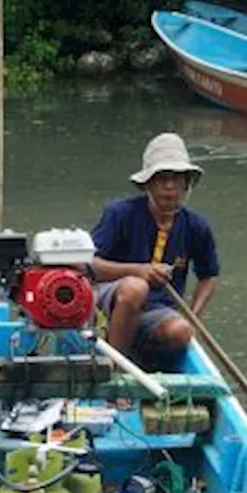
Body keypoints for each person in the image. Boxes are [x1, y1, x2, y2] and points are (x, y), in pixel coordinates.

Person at [89, 132, 219, 370]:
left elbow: (209, 275)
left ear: (186, 183)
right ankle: (117, 369)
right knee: (135, 289)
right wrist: (138, 271)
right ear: (148, 183)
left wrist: (192, 316)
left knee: (181, 331)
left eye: (176, 179)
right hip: (111, 303)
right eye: (162, 179)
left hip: (156, 311)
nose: (169, 186)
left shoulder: (197, 226)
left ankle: (145, 356)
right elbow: (88, 265)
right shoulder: (120, 214)